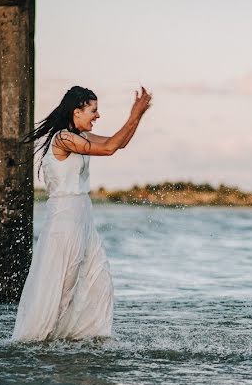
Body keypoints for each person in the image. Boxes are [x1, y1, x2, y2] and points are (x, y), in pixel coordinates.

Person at [11, 85, 152, 342]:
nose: (97, 116)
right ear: (77, 111)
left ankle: (85, 340)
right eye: (93, 110)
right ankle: (39, 343)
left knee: (98, 281)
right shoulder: (64, 139)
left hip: (83, 219)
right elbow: (109, 148)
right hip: (65, 219)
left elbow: (117, 145)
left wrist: (138, 116)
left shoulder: (79, 136)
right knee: (62, 287)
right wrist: (134, 114)